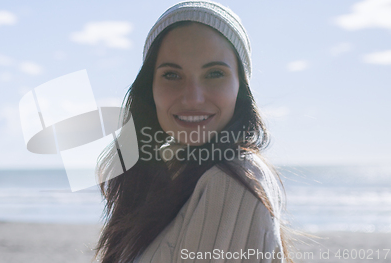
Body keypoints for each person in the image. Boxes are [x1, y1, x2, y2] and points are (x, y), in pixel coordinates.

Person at [95, 1, 294, 262]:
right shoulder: (165, 177)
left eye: (214, 73)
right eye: (172, 75)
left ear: (241, 88)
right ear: (150, 88)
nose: (192, 98)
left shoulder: (233, 182)